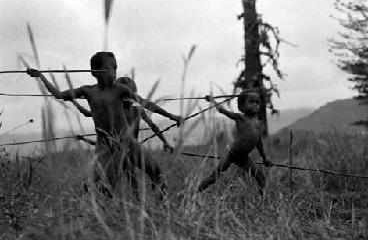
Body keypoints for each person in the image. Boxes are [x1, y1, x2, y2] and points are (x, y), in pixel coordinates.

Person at [27, 51, 181, 195]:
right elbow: (59, 94)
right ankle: (99, 202)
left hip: (127, 141)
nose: (113, 72)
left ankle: (160, 202)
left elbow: (144, 102)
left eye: (115, 68)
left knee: (156, 172)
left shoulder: (120, 89)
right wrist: (40, 76)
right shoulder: (87, 91)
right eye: (109, 68)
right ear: (95, 72)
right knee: (101, 183)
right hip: (104, 145)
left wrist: (170, 115)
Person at [198, 91, 273, 194]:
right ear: (242, 106)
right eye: (251, 102)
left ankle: (263, 201)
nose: (255, 105)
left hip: (244, 158)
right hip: (231, 153)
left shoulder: (258, 123)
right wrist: (212, 100)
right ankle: (194, 192)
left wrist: (265, 159)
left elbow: (259, 143)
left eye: (257, 102)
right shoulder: (240, 118)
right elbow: (221, 110)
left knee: (260, 177)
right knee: (214, 177)